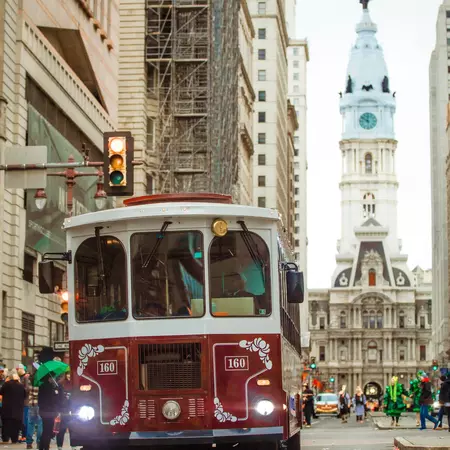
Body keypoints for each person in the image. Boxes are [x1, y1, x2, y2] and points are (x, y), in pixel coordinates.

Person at [0, 371, 26, 443]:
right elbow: (25, 395)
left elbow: (1, 392)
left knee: (6, 424)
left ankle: (5, 438)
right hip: (18, 409)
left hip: (7, 409)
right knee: (16, 425)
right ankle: (14, 439)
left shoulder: (6, 384)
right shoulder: (21, 386)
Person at [38, 374, 62, 450]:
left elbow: (39, 400)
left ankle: (42, 446)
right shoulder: (51, 388)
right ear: (49, 378)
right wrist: (57, 391)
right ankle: (46, 446)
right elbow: (54, 400)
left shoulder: (42, 386)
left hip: (43, 411)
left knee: (45, 429)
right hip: (50, 411)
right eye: (53, 377)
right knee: (48, 430)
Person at [56, 372, 75, 450]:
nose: (69, 376)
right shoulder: (60, 385)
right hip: (63, 409)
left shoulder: (74, 384)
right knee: (61, 429)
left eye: (70, 374)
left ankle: (73, 445)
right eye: (68, 374)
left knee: (72, 428)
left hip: (72, 409)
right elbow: (58, 398)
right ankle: (59, 445)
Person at [26, 373, 42, 450]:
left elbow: (27, 390)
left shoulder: (30, 380)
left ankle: (29, 443)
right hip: (39, 404)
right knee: (40, 424)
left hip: (31, 404)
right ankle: (39, 442)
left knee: (30, 424)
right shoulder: (41, 381)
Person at [18, 364, 30, 443]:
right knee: (26, 420)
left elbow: (27, 389)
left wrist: (22, 388)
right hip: (26, 403)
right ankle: (25, 436)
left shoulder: (26, 378)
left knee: (26, 420)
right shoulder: (26, 377)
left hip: (26, 403)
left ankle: (25, 436)